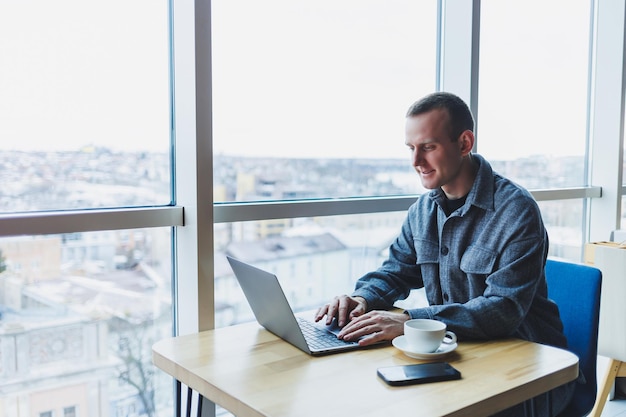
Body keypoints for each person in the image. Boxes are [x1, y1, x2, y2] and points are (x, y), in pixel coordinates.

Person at [314, 92, 576, 416]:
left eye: (428, 147)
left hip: (528, 371)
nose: (415, 162)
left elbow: (503, 310)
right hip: (455, 356)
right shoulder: (422, 211)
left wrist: (410, 320)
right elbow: (396, 270)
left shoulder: (516, 211)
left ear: (464, 143)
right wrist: (362, 299)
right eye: (411, 148)